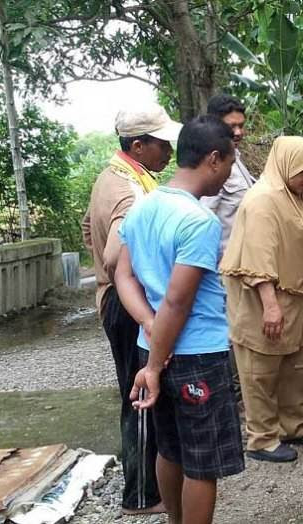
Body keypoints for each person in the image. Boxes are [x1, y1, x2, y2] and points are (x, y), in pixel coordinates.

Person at [114, 115, 245, 524]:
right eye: (229, 163)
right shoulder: (198, 221)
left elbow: (123, 275)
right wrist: (156, 362)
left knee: (169, 448)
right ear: (212, 159)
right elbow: (177, 301)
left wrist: (150, 332)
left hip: (151, 347)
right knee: (202, 463)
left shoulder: (144, 206)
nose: (227, 175)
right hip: (195, 356)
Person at [81, 102, 181, 515]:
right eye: (162, 145)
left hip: (119, 299)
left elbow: (87, 226)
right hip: (128, 303)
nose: (169, 153)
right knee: (141, 394)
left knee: (137, 390)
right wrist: (130, 284)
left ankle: (147, 489)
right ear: (138, 146)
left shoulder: (112, 176)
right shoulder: (130, 190)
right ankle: (141, 495)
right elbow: (111, 254)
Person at [220, 136, 303, 463]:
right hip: (260, 297)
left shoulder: (297, 196)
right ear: (285, 165)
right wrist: (270, 304)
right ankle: (262, 439)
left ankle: (292, 426)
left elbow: (299, 245)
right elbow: (257, 256)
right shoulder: (262, 201)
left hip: (290, 294)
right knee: (260, 370)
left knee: (294, 365)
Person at [200, 94, 256, 254]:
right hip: (221, 266)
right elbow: (203, 219)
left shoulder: (235, 158)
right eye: (232, 126)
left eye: (241, 125)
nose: (238, 132)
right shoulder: (212, 164)